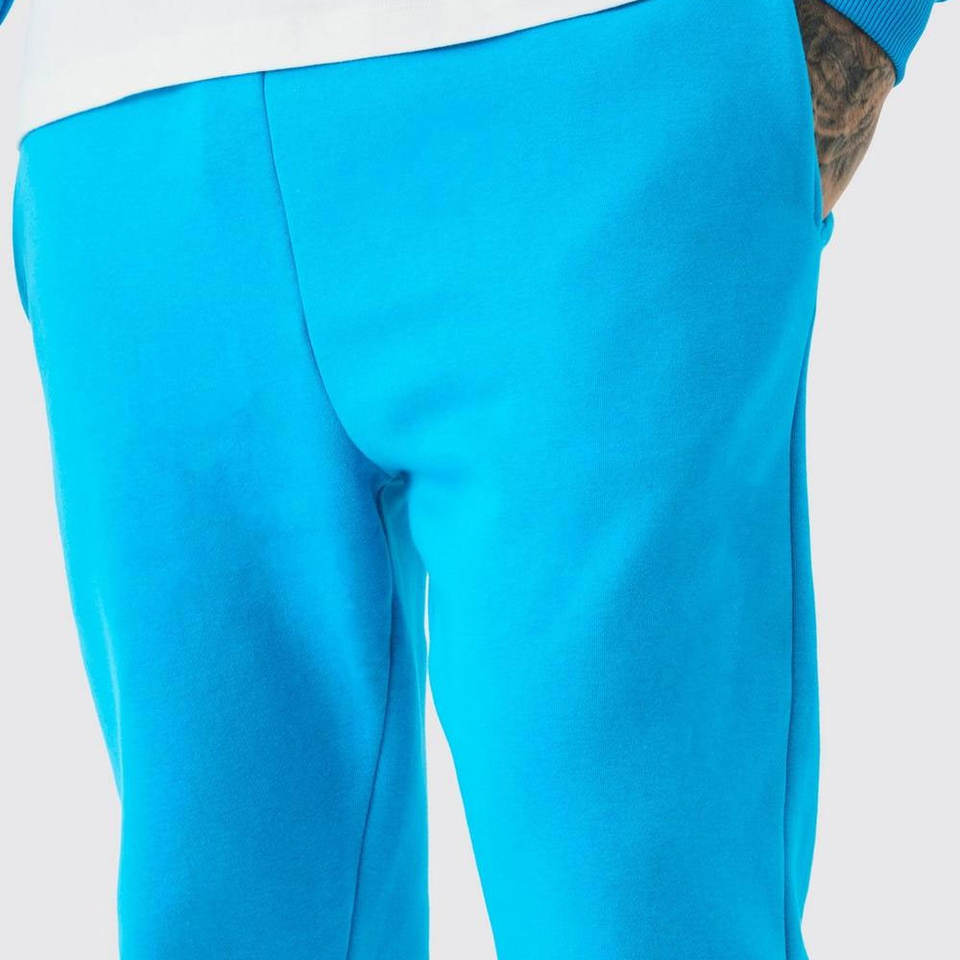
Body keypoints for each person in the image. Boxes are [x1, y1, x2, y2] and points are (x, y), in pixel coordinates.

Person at [1, 0, 947, 957]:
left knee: (638, 903)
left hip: (599, 85)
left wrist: (860, 25)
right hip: (118, 134)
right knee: (218, 916)